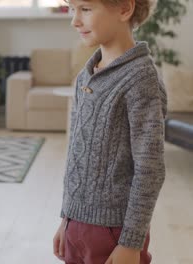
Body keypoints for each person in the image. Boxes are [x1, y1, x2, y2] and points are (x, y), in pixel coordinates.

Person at [53, 0, 167, 263]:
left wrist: (130, 242)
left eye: (86, 9)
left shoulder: (141, 78)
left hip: (114, 233)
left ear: (124, 10)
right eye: (72, 9)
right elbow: (76, 157)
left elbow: (150, 169)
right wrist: (66, 219)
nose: (75, 20)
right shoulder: (86, 76)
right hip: (75, 225)